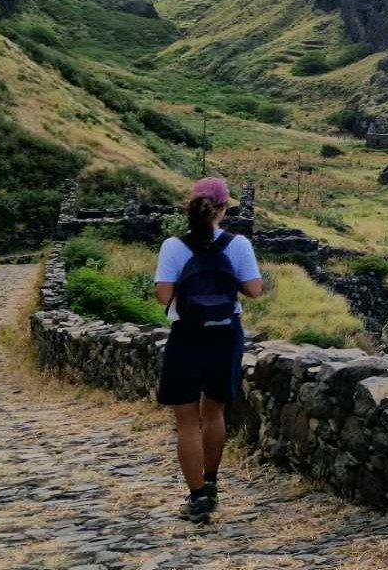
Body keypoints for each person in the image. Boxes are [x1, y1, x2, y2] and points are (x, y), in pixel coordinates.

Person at [153, 177, 262, 523]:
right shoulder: (238, 243)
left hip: (186, 335)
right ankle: (212, 484)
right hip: (225, 335)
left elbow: (162, 296)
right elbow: (255, 290)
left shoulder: (173, 245)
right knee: (213, 413)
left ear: (192, 205)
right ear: (224, 208)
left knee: (186, 422)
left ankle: (197, 497)